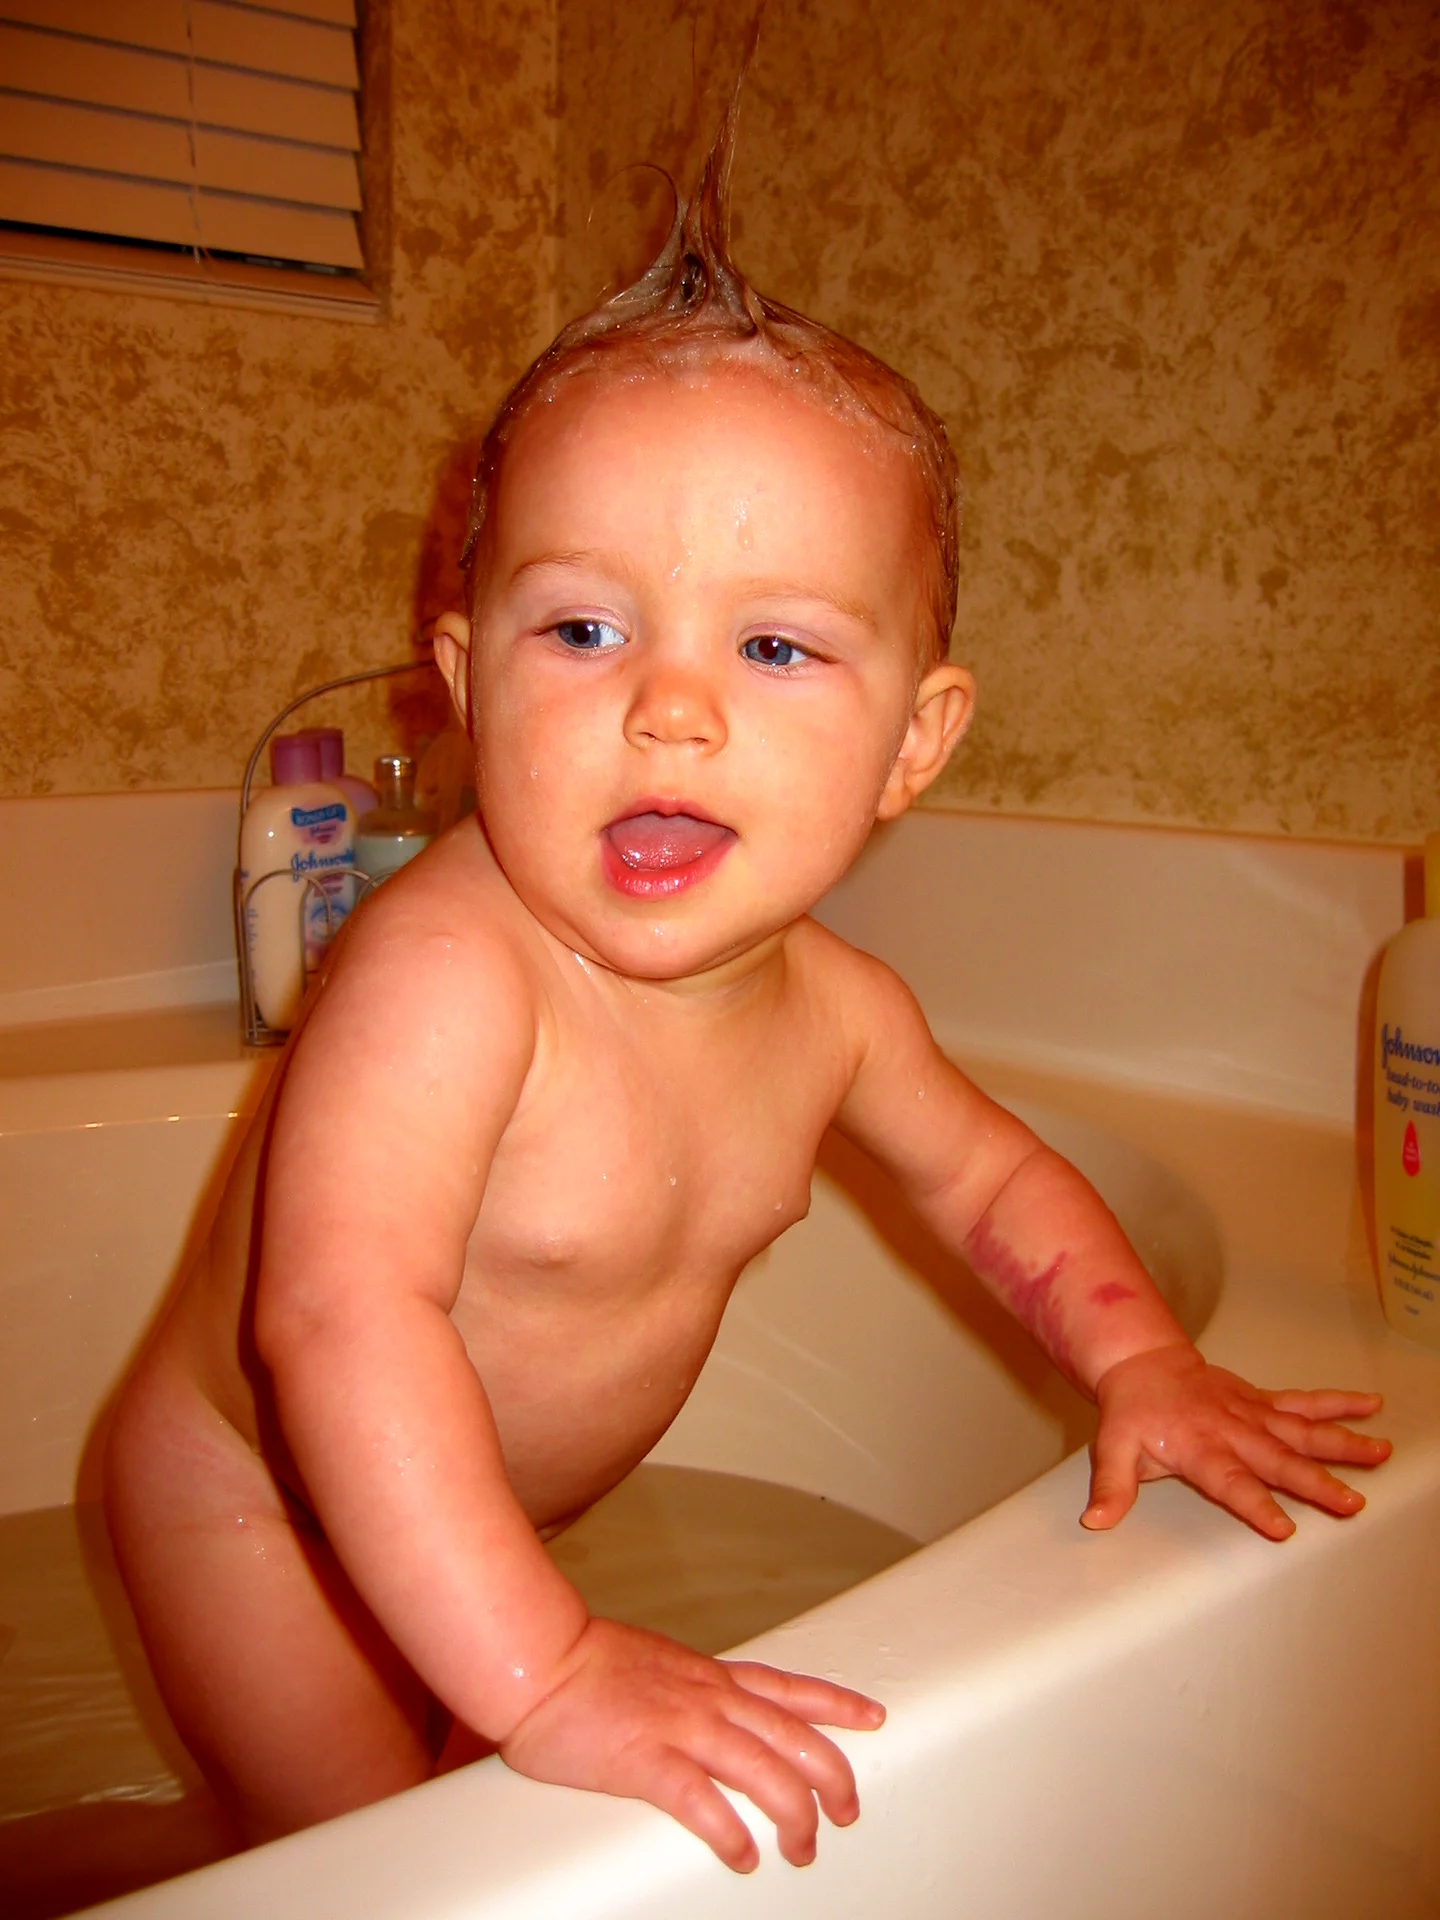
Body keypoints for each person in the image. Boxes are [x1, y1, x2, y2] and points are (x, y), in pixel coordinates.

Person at [103, 99, 1391, 1876]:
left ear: (913, 744)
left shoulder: (840, 1012)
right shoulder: (445, 980)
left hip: (456, 1518)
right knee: (368, 1866)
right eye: (584, 629)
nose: (671, 708)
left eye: (775, 645)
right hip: (257, 1508)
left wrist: (1143, 1358)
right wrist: (553, 1667)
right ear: (467, 683)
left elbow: (995, 1185)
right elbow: (338, 1324)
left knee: (467, 1828)